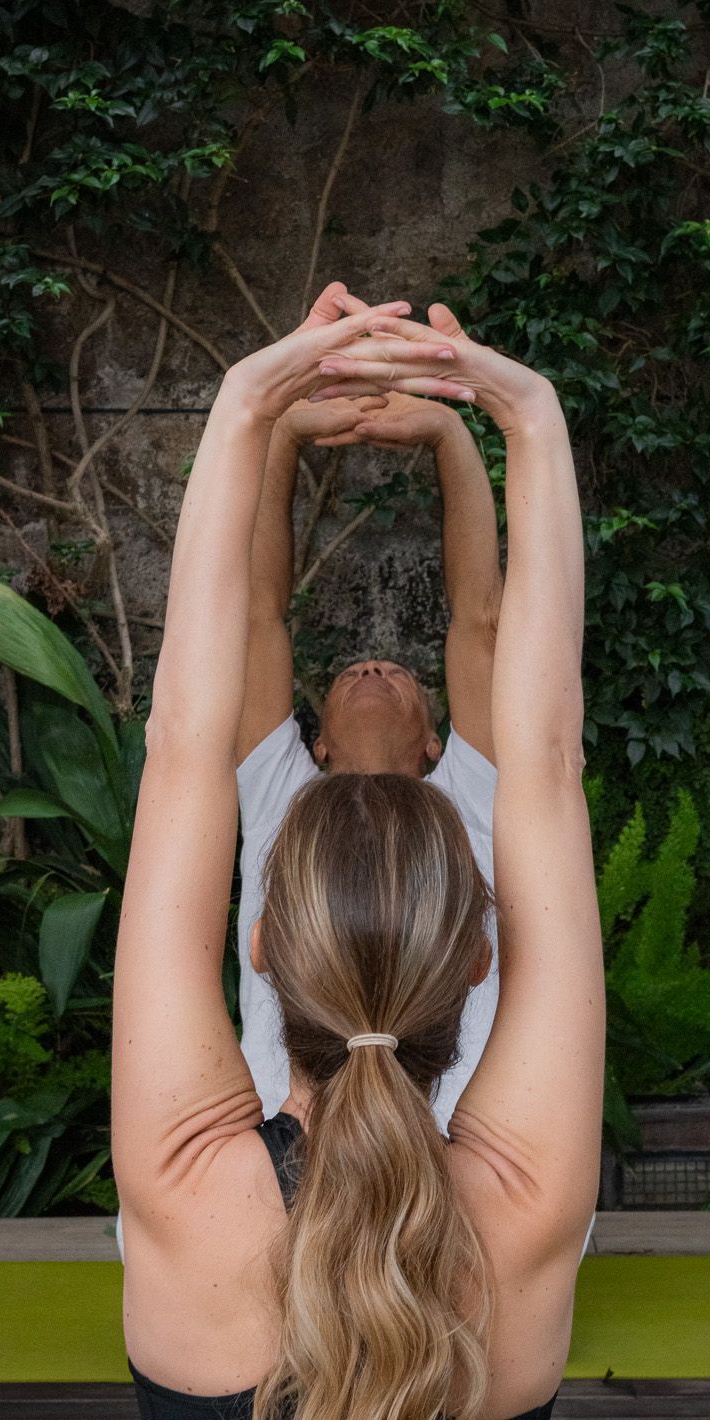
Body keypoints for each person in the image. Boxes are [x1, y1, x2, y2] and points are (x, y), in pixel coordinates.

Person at [111, 289, 605, 1420]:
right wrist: (525, 413)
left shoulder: (186, 1189)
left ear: (259, 945)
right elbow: (545, 758)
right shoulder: (525, 1209)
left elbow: (179, 744)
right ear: (479, 956)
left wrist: (249, 402)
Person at [233, 284, 507, 1136]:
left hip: (453, 1143)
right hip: (289, 1146)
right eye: (354, 669)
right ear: (312, 743)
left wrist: (449, 434)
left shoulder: (474, 801)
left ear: (436, 743)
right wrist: (280, 434)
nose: (377, 665)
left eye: (401, 675)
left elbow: (480, 622)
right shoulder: (277, 798)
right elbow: (255, 615)